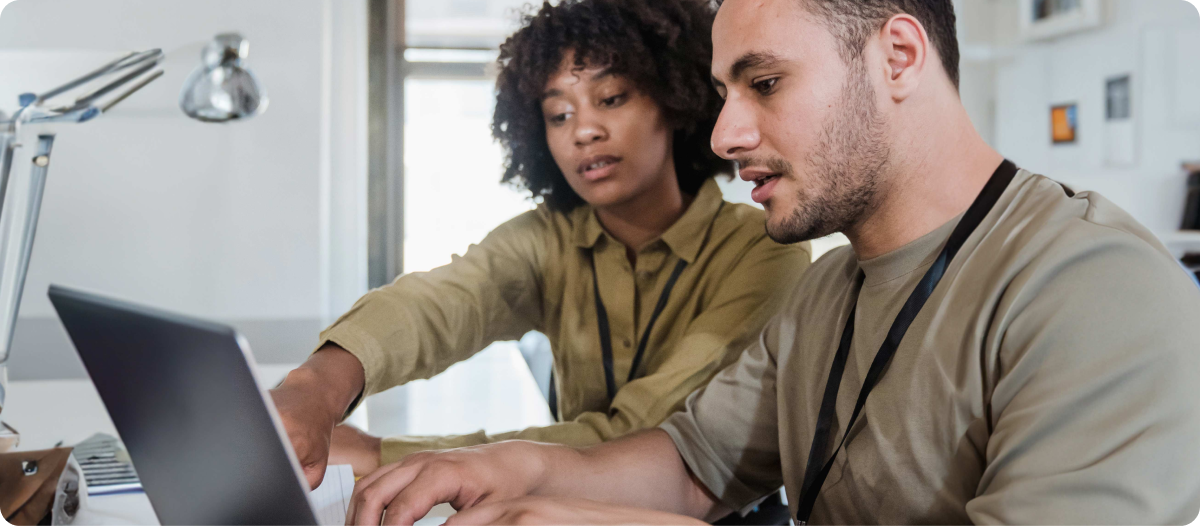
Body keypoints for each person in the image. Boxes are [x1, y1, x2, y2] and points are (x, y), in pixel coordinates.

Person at [338, 0, 1200, 524]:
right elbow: (686, 469)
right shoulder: (827, 291)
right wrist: (492, 471)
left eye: (767, 84)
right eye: (722, 94)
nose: (723, 135)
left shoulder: (1095, 286)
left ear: (898, 56)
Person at [269, 0, 812, 490]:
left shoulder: (764, 250)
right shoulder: (548, 238)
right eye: (559, 114)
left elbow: (643, 436)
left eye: (612, 97)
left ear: (674, 100)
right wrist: (316, 385)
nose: (584, 131)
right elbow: (440, 304)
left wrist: (380, 453)